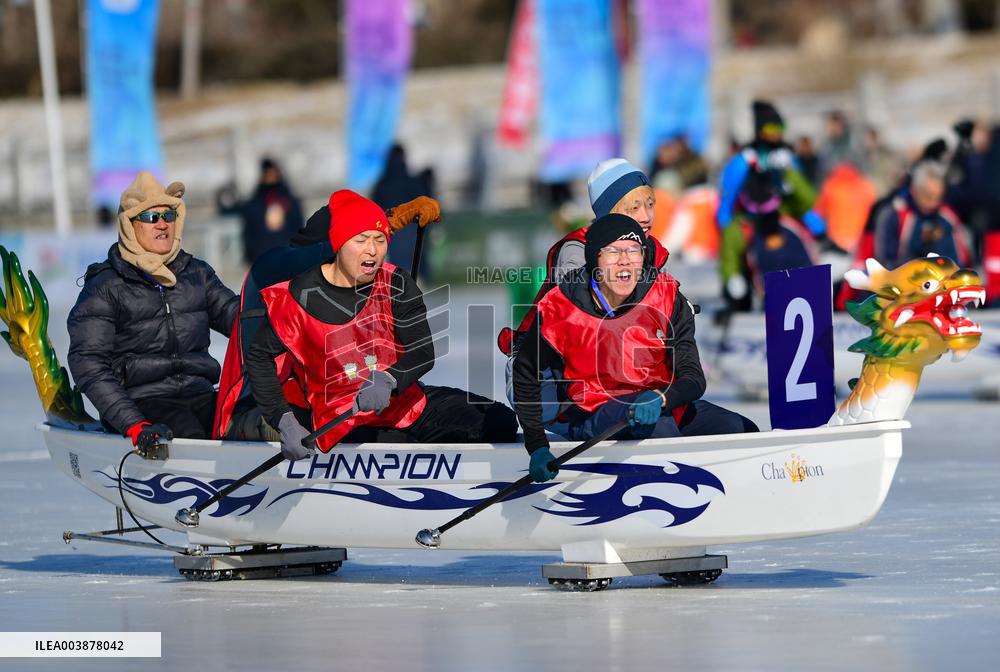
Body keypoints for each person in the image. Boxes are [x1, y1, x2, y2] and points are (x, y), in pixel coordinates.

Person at [245, 190, 517, 460]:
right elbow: (259, 356)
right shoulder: (297, 298)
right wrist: (283, 419)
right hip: (341, 419)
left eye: (379, 239)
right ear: (337, 244)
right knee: (401, 446)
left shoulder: (395, 283)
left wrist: (390, 378)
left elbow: (422, 351)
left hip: (403, 403)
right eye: (362, 239)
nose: (373, 250)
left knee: (499, 422)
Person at [512, 215, 758, 482]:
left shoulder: (667, 297)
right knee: (655, 426)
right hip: (592, 410)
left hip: (658, 403)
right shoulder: (559, 307)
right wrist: (537, 446)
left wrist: (662, 398)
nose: (625, 260)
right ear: (595, 260)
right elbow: (524, 376)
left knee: (740, 429)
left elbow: (693, 377)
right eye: (613, 251)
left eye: (633, 251)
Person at [213, 194, 441, 441]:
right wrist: (388, 223)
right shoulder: (272, 266)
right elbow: (307, 258)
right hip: (256, 404)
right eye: (356, 239)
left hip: (305, 396)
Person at [68, 172, 239, 447]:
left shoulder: (196, 273)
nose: (162, 224)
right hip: (143, 402)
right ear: (129, 225)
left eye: (168, 216)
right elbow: (87, 361)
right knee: (193, 435)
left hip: (202, 394)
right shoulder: (106, 286)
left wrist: (286, 313)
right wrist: (132, 422)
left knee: (253, 421)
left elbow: (240, 319)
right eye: (150, 217)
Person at [497, 158, 671, 357]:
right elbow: (576, 314)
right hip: (554, 363)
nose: (646, 216)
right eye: (634, 207)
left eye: (650, 205)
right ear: (608, 211)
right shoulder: (578, 249)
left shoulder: (650, 250)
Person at [872, 160, 971, 268]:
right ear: (914, 190)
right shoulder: (894, 215)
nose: (933, 204)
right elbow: (885, 262)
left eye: (938, 198)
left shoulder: (948, 217)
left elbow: (963, 260)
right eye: (928, 196)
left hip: (944, 280)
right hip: (905, 280)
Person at [219, 158, 304, 265]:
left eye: (273, 173)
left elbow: (298, 228)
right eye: (267, 174)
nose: (270, 177)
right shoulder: (255, 203)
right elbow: (248, 229)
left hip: (287, 258)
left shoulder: (289, 202)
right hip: (262, 258)